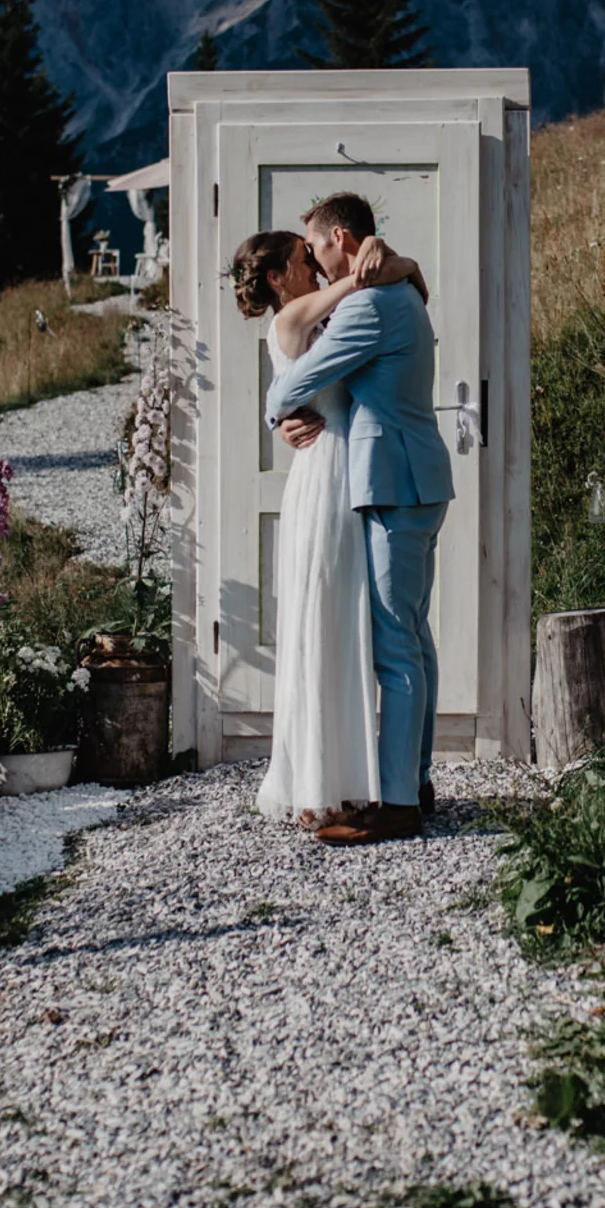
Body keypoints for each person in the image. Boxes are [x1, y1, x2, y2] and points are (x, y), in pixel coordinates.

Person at [260, 192, 456, 847]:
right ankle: (415, 780)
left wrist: (276, 410)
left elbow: (293, 385)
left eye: (317, 247)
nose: (317, 263)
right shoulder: (399, 291)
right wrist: (402, 262)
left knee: (396, 646)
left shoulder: (368, 306)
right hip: (417, 480)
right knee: (415, 639)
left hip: (395, 484)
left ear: (340, 238)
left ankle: (397, 803)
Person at [229, 221, 427, 832]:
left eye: (314, 253)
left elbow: (372, 291)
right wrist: (389, 260)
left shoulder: (327, 314)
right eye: (302, 259)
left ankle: (359, 776)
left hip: (354, 474)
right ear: (277, 277)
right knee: (323, 622)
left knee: (350, 626)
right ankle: (321, 780)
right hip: (325, 479)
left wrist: (396, 259)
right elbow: (355, 289)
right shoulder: (291, 321)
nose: (315, 267)